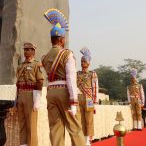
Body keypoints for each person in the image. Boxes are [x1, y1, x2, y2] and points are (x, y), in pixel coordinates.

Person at [41, 8, 85, 146]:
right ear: (61, 39)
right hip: (64, 92)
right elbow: (71, 79)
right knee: (75, 128)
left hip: (51, 92)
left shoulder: (45, 57)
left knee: (55, 128)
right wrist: (74, 101)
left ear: (52, 40)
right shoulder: (67, 54)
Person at [16, 42, 44, 146]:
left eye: (28, 49)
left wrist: (37, 100)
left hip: (31, 95)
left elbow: (40, 81)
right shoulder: (20, 66)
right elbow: (18, 84)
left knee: (31, 125)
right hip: (21, 95)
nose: (26, 51)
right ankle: (23, 144)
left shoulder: (36, 64)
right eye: (25, 49)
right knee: (22, 124)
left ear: (33, 51)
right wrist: (16, 99)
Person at [77, 47, 99, 146]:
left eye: (84, 61)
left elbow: (95, 87)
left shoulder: (92, 74)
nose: (82, 63)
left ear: (89, 63)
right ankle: (81, 139)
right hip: (79, 98)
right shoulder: (77, 74)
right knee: (80, 119)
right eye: (81, 61)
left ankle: (87, 140)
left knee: (89, 119)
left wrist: (95, 101)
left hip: (89, 99)